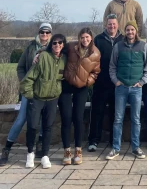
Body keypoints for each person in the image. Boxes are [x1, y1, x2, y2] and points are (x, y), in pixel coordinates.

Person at [0, 23, 52, 166]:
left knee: (42, 118)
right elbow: (20, 67)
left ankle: (40, 145)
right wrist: (25, 82)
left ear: (50, 34)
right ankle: (7, 149)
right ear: (39, 32)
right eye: (42, 32)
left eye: (47, 32)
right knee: (22, 118)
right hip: (29, 90)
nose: (45, 35)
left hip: (44, 91)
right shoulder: (30, 48)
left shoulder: (52, 48)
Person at [19, 34, 67, 169]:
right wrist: (30, 95)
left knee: (48, 127)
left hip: (52, 98)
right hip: (38, 98)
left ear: (63, 44)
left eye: (60, 43)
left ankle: (45, 155)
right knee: (33, 126)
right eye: (54, 43)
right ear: (51, 45)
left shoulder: (64, 59)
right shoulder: (43, 57)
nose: (57, 45)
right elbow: (28, 79)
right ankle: (30, 153)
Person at [107, 21, 147, 160]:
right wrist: (116, 81)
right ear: (125, 31)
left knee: (136, 119)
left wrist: (142, 82)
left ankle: (135, 148)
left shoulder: (143, 46)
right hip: (121, 88)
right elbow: (112, 66)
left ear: (136, 31)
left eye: (132, 30)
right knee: (118, 119)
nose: (130, 32)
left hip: (136, 89)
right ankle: (115, 148)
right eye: (128, 30)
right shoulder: (118, 46)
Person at [59, 27, 101, 165]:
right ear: (79, 38)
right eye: (82, 37)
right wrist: (40, 52)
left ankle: (78, 150)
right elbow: (56, 50)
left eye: (87, 37)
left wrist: (87, 82)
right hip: (66, 86)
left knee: (78, 118)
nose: (85, 40)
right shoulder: (71, 47)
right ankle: (66, 151)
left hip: (81, 88)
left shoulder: (95, 53)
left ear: (91, 38)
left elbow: (95, 72)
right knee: (66, 118)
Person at [88, 14, 123, 152]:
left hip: (117, 84)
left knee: (116, 114)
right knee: (97, 113)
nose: (112, 26)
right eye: (109, 24)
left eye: (114, 24)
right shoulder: (98, 39)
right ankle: (93, 141)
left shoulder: (123, 40)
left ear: (117, 25)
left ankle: (113, 141)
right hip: (101, 83)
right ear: (106, 25)